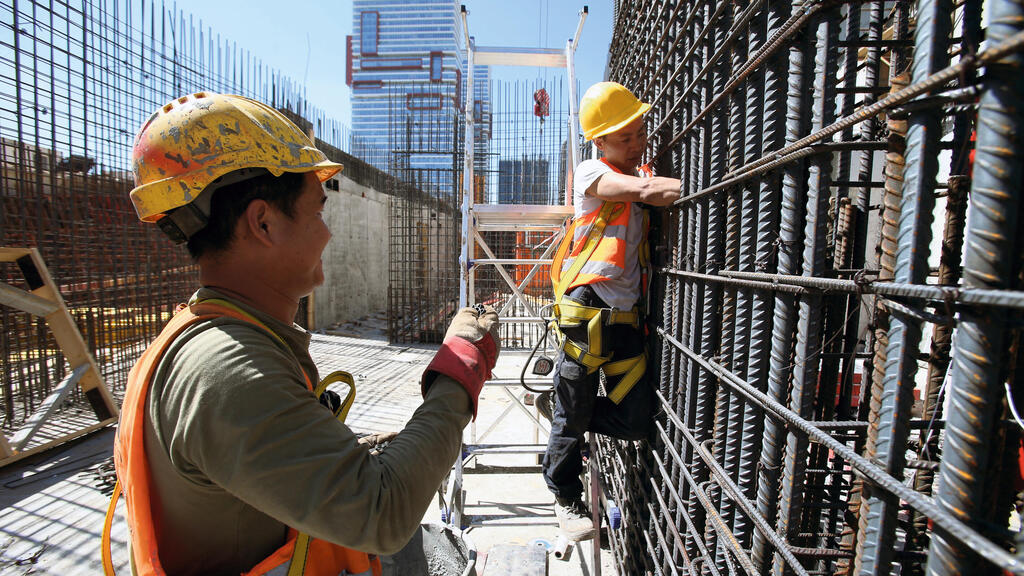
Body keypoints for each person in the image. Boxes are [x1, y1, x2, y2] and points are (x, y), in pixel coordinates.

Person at [106, 92, 499, 576]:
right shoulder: (229, 371)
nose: (327, 233)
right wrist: (460, 369)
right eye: (317, 212)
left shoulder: (219, 336)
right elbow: (382, 514)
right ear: (264, 222)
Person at [541, 82, 681, 541]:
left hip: (625, 322)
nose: (637, 142)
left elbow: (643, 189)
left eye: (639, 132)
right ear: (599, 141)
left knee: (634, 419)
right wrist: (683, 186)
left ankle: (565, 414)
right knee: (573, 413)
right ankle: (565, 498)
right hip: (588, 317)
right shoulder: (590, 173)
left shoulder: (638, 173)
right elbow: (639, 190)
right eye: (625, 137)